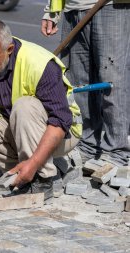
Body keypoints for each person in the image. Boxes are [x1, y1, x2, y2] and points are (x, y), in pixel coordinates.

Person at [0, 18, 82, 200]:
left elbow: (59, 121)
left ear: (9, 50)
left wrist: (34, 163)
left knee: (24, 106)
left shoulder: (39, 64)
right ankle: (19, 172)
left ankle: (42, 178)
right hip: (19, 130)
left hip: (63, 134)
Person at [41, 0, 130, 166]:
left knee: (112, 80)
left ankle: (116, 151)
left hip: (110, 6)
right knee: (79, 82)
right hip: (73, 8)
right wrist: (51, 12)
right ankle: (86, 145)